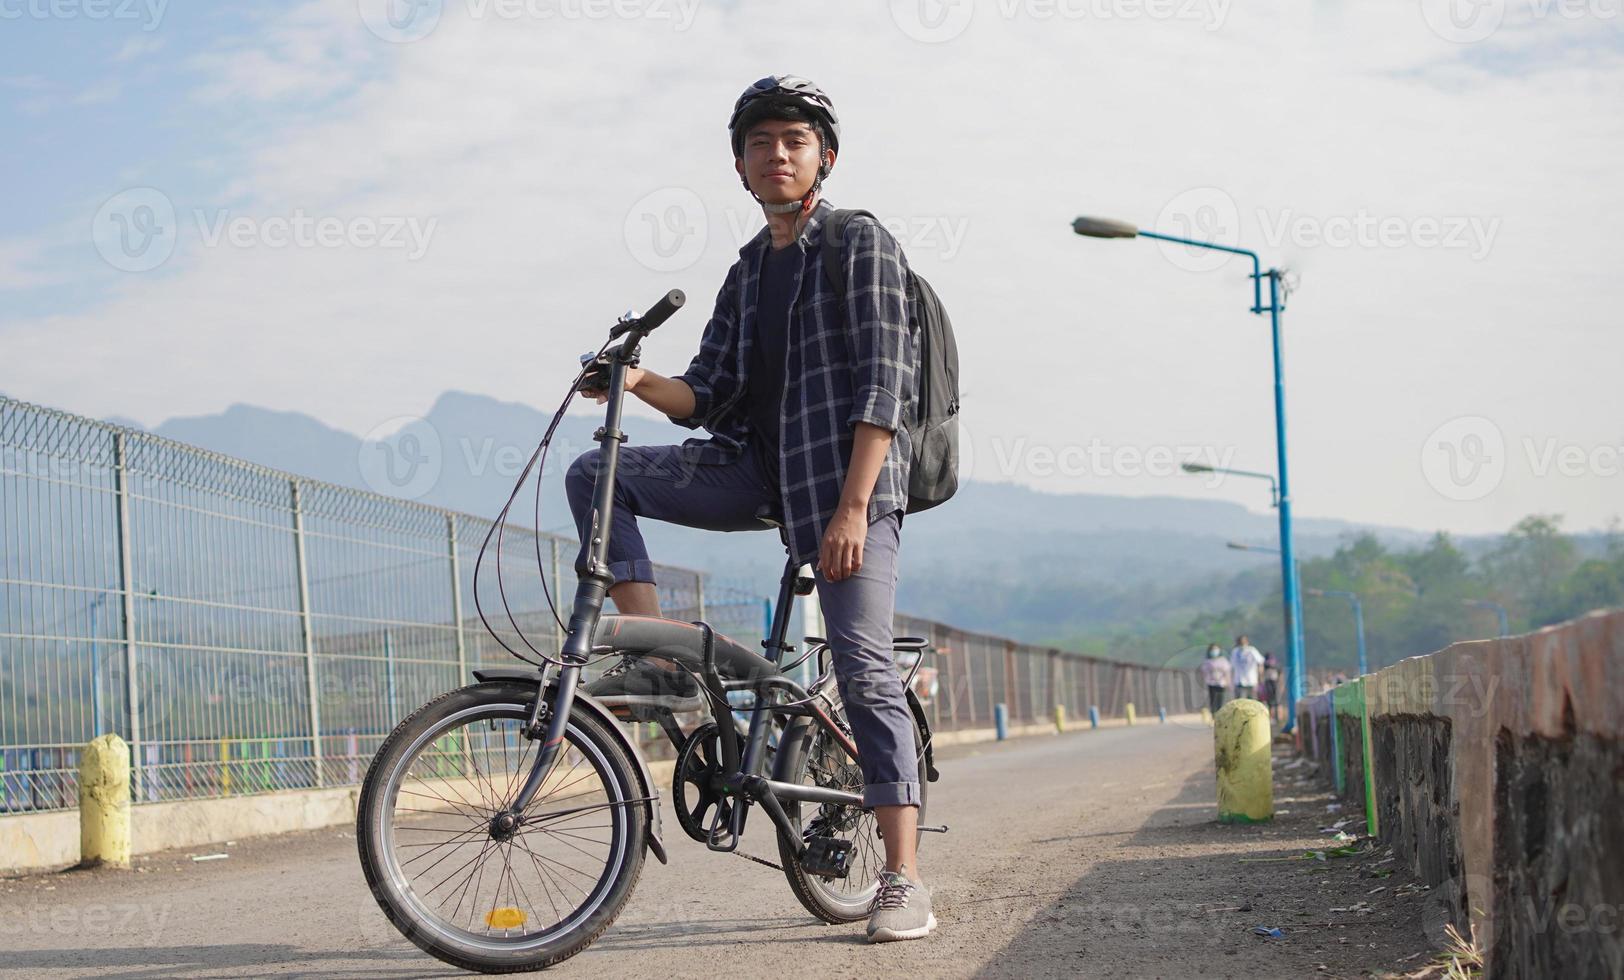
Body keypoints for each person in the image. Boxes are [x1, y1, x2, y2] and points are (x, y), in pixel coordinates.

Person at [565, 75, 933, 943]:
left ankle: (905, 879)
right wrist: (632, 378)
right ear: (740, 165)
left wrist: (851, 510)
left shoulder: (857, 244)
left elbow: (887, 384)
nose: (777, 154)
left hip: (849, 487)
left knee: (863, 660)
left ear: (823, 158)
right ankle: (655, 657)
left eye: (794, 141)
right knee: (597, 476)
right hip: (759, 472)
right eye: (761, 142)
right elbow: (712, 394)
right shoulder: (746, 268)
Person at [1197, 644, 1231, 716]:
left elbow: (1227, 672)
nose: (1214, 651)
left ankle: (1220, 713)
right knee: (1212, 699)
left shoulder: (1223, 660)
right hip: (1211, 683)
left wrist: (1228, 682)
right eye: (1212, 649)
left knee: (1220, 699)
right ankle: (1213, 714)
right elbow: (1203, 671)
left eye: (1216, 649)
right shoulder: (1208, 661)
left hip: (1221, 683)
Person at [1229, 634, 1265, 701]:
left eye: (1243, 642)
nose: (1242, 644)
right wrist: (1231, 681)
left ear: (1247, 642)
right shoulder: (1235, 652)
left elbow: (1260, 661)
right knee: (1240, 701)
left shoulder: (1252, 650)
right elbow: (1232, 667)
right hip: (1239, 681)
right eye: (1240, 642)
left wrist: (1260, 676)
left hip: (1251, 681)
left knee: (1252, 701)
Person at [1260, 652, 1282, 723]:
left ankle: (1277, 718)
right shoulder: (1267, 665)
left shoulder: (1274, 666)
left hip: (1273, 684)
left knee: (1275, 703)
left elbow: (1281, 676)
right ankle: (1274, 718)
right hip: (1270, 684)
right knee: (1272, 703)